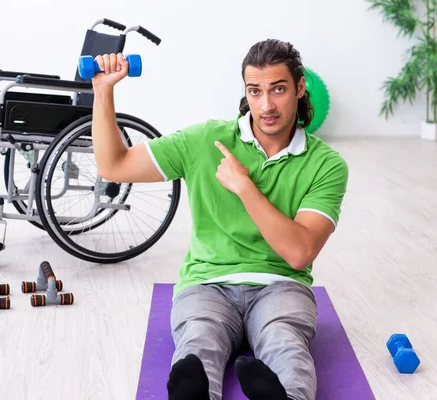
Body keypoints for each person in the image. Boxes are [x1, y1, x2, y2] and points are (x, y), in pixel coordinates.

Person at [89, 39, 348, 400]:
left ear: (300, 87)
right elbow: (113, 165)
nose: (266, 105)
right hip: (207, 283)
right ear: (246, 91)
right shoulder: (205, 140)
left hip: (281, 284)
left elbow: (299, 253)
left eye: (278, 89)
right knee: (199, 338)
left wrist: (244, 186)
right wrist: (102, 92)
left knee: (283, 339)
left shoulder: (326, 164)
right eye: (255, 91)